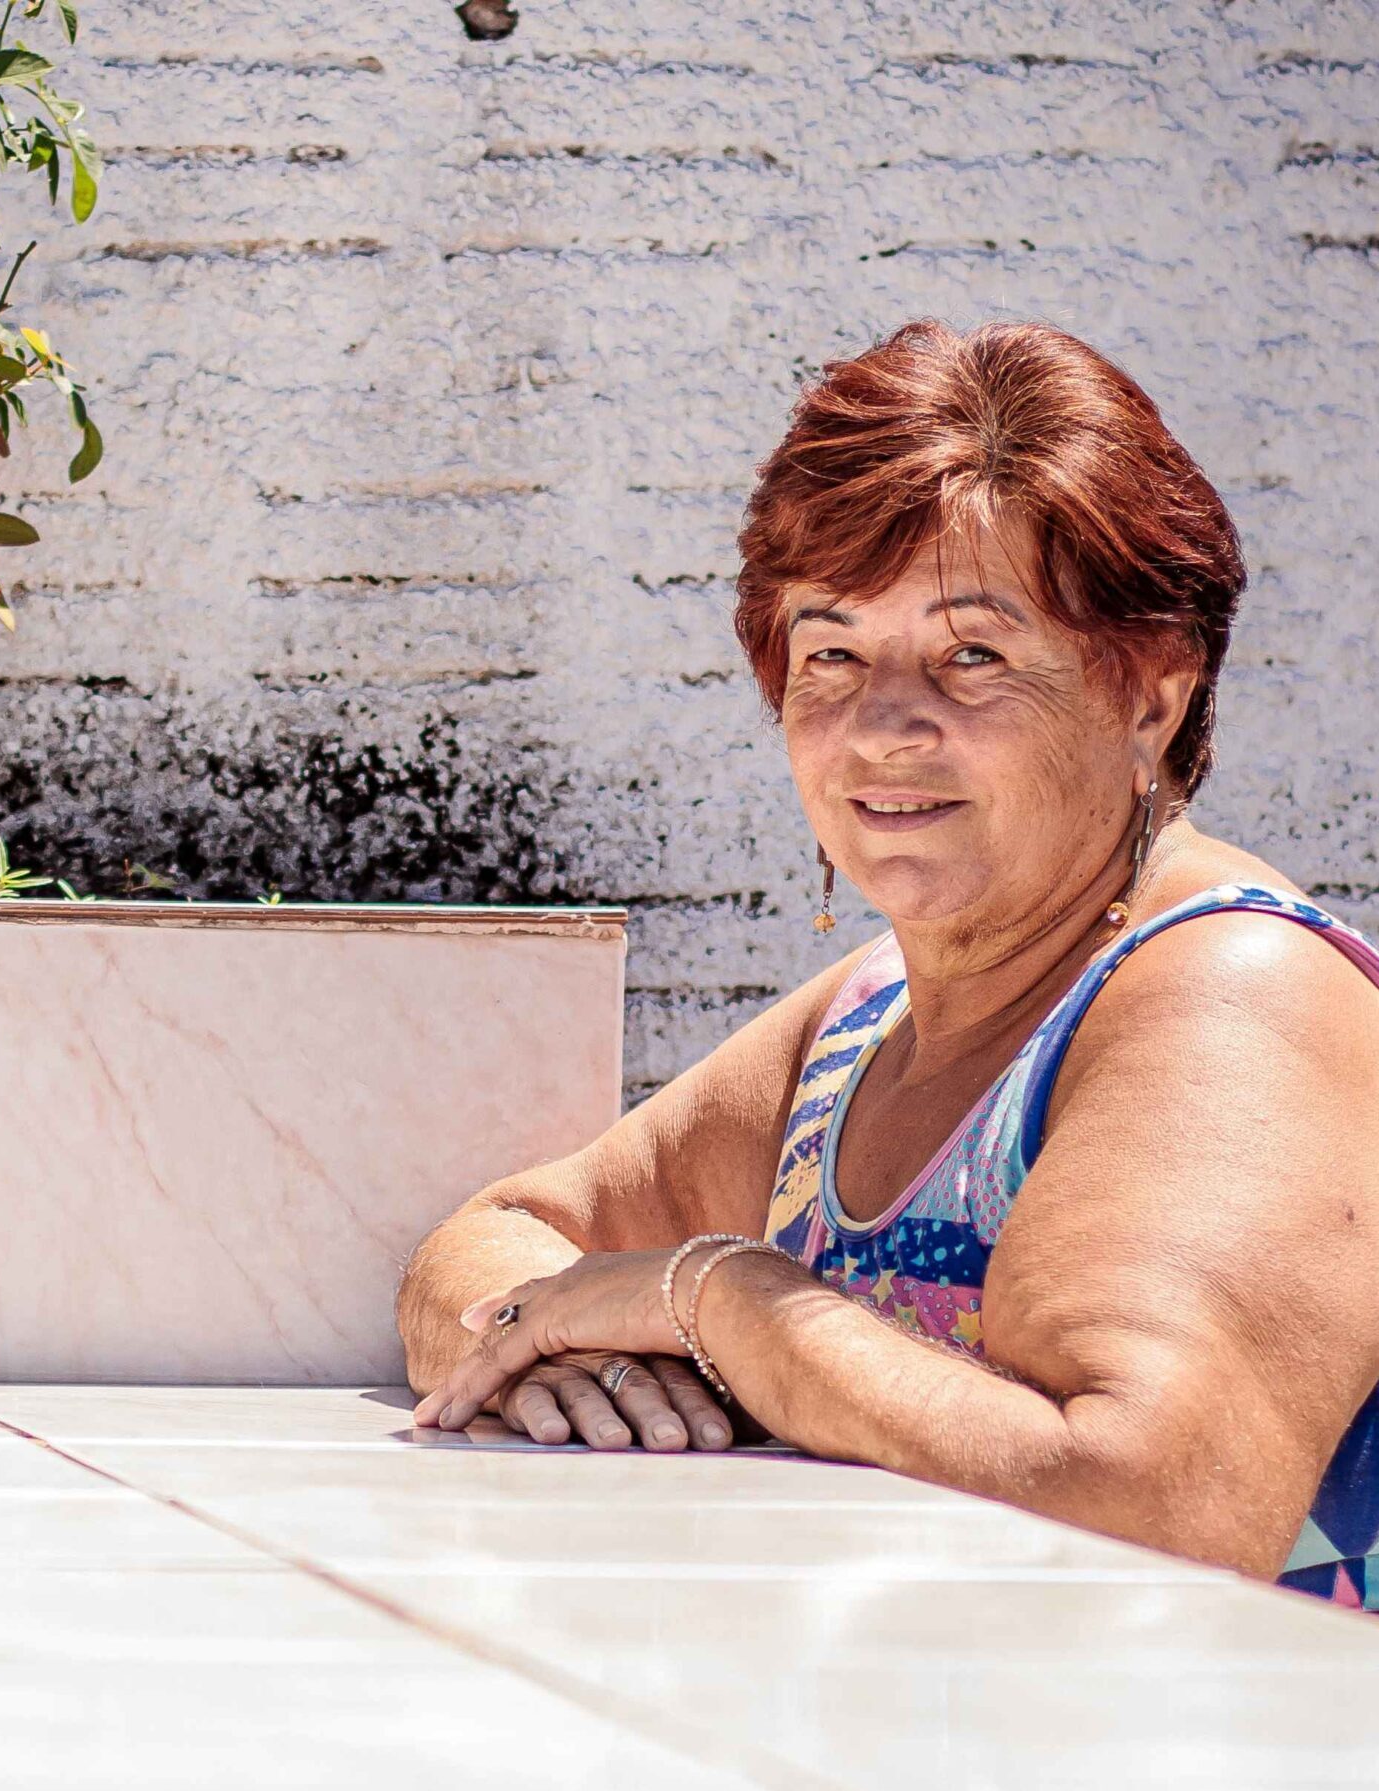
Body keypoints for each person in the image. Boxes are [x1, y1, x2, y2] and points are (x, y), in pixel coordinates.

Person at [401, 320, 1379, 1607]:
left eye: (972, 652)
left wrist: (733, 1307)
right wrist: (565, 1355)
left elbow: (1155, 1509)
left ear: (1150, 694)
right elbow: (502, 1239)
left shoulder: (1234, 987)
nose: (880, 727)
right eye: (831, 652)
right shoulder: (870, 1014)